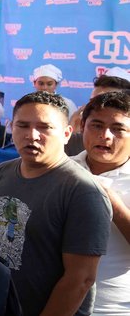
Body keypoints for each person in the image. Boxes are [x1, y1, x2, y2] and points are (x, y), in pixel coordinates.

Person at [0, 91, 112, 316]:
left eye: (44, 127)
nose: (32, 135)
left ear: (66, 134)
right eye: (22, 125)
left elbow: (80, 279)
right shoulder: (2, 172)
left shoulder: (82, 191)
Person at [72, 90, 130, 315]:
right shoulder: (61, 169)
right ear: (82, 126)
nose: (105, 135)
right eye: (96, 125)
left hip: (112, 308)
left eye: (118, 129)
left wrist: (110, 199)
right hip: (54, 302)